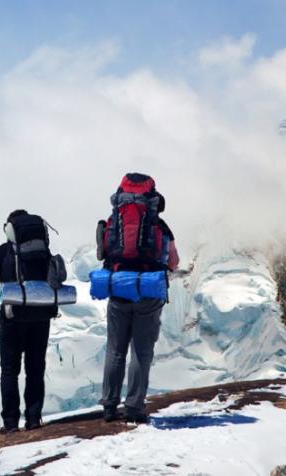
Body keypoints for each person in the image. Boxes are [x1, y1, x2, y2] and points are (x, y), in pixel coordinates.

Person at [96, 173, 179, 423]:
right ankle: (133, 407)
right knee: (141, 351)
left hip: (119, 290)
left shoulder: (112, 222)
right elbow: (173, 262)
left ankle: (110, 406)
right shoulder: (160, 227)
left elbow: (103, 254)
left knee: (115, 350)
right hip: (148, 292)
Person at [0, 209, 58, 434]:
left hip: (12, 316)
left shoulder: (0, 252)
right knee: (36, 368)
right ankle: (34, 418)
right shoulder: (43, 252)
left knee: (10, 370)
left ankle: (10, 423)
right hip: (40, 316)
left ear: (10, 229)